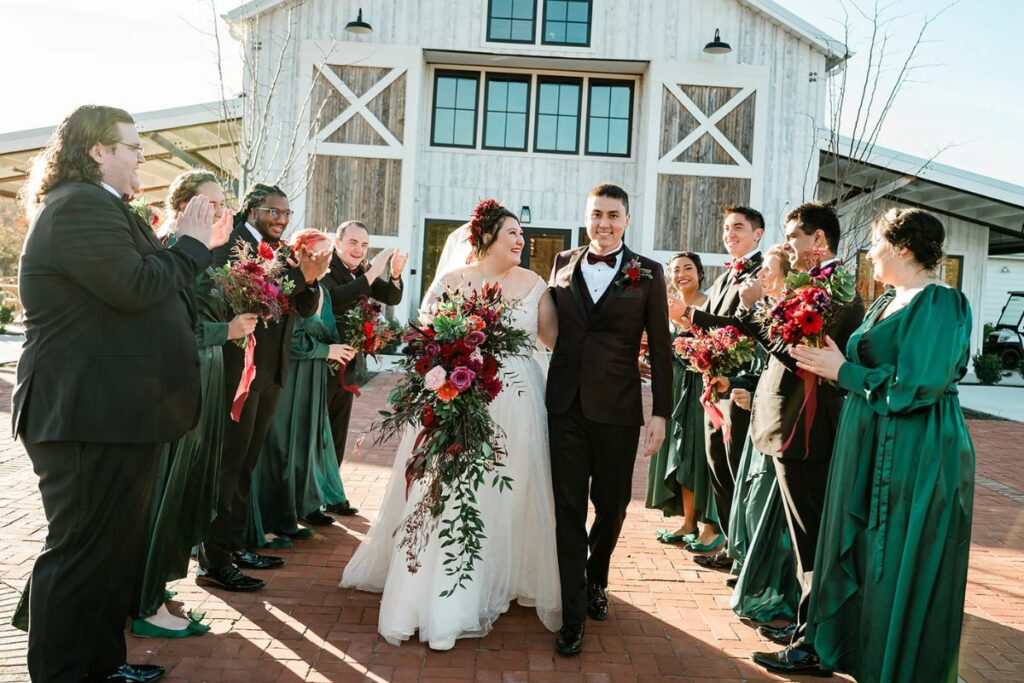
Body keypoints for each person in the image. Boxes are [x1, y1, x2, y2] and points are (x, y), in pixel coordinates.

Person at [14, 105, 224, 683]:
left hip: (114, 414)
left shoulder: (102, 208)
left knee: (109, 555)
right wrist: (189, 244)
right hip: (87, 415)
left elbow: (153, 290)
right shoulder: (79, 206)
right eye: (132, 146)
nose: (142, 157)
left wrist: (191, 247)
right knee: (81, 553)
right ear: (97, 151)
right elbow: (136, 286)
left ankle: (101, 666)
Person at [341, 199, 561, 651]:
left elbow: (553, 340)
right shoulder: (451, 282)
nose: (521, 241)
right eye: (512, 234)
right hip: (459, 396)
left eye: (523, 234)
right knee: (448, 490)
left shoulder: (535, 284)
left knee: (511, 489)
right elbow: (427, 336)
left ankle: (504, 571)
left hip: (518, 401)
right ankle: (446, 591)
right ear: (485, 239)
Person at [792, 208, 975, 682]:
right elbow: (870, 366)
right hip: (869, 436)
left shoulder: (939, 303)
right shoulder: (886, 301)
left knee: (895, 557)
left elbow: (919, 386)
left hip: (915, 448)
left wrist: (845, 373)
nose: (868, 254)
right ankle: (857, 654)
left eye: (874, 244)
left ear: (902, 247)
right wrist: (835, 362)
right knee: (865, 550)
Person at [733, 202, 864, 677]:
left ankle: (813, 644)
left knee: (811, 540)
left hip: (807, 433)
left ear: (819, 241)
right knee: (801, 536)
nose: (787, 245)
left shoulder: (839, 294)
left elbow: (813, 361)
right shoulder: (808, 286)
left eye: (793, 237)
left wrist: (761, 322)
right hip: (785, 425)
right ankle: (806, 629)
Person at [130, 171, 258, 638]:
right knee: (165, 494)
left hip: (208, 379)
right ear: (184, 207)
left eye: (224, 205)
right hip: (177, 386)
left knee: (186, 493)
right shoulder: (169, 251)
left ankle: (157, 587)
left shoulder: (207, 254)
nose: (222, 213)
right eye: (211, 204)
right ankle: (142, 600)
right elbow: (168, 330)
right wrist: (228, 331)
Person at [546, 183, 672, 656]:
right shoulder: (561, 263)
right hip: (564, 405)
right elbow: (546, 326)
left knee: (614, 505)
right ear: (586, 216)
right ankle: (572, 612)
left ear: (627, 219)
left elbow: (661, 349)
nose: (604, 223)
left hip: (618, 410)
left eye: (613, 215)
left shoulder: (649, 273)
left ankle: (597, 576)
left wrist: (660, 412)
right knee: (567, 508)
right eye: (596, 214)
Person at [197, 184, 329, 592]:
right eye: (274, 211)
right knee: (228, 466)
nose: (281, 219)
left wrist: (310, 279)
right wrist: (297, 276)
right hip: (241, 371)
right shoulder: (231, 242)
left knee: (246, 466)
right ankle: (213, 561)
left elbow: (301, 308)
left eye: (287, 214)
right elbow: (241, 295)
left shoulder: (287, 251)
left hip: (272, 373)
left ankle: (235, 547)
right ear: (252, 210)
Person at [248, 228, 358, 543]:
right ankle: (277, 516)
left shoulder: (320, 288)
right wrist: (327, 351)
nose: (325, 259)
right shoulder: (294, 286)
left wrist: (343, 346)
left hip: (313, 375)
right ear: (302, 253)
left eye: (327, 253)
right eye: (318, 252)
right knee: (283, 444)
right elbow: (291, 337)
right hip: (293, 372)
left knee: (306, 443)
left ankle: (297, 509)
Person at [684, 206, 764, 570]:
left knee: (735, 470)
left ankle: (746, 554)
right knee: (718, 470)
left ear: (757, 234)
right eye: (726, 227)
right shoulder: (721, 279)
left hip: (741, 387)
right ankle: (733, 547)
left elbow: (743, 327)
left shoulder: (762, 273)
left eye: (738, 228)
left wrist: (689, 315)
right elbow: (711, 332)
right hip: (713, 386)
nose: (729, 233)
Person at [725, 245, 800, 622]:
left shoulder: (794, 313)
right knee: (750, 507)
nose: (761, 278)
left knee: (765, 512)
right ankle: (755, 577)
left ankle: (774, 594)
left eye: (769, 271)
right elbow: (764, 366)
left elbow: (792, 363)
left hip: (782, 426)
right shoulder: (776, 311)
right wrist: (747, 387)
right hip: (761, 419)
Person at [321, 219, 406, 516]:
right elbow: (337, 299)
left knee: (338, 429)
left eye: (365, 245)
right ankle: (313, 497)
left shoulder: (361, 271)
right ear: (338, 242)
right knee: (320, 431)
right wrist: (371, 275)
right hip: (323, 361)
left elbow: (391, 296)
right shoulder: (327, 268)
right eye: (354, 243)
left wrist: (394, 274)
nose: (359, 250)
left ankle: (332, 495)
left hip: (349, 363)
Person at [646, 252, 721, 552]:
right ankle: (688, 521)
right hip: (676, 385)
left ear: (700, 273)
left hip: (699, 387)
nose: (681, 274)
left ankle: (711, 526)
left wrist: (685, 320)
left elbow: (714, 342)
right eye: (675, 270)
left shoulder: (708, 304)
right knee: (679, 454)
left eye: (688, 268)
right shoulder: (666, 306)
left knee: (698, 455)